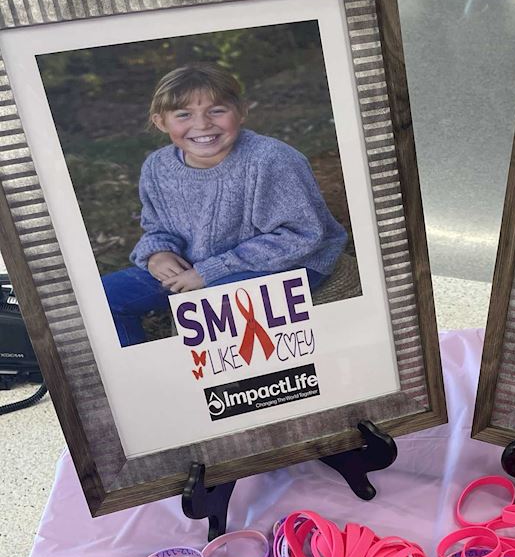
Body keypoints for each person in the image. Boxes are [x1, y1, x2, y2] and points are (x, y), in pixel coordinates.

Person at [102, 62, 348, 347]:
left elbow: (301, 236)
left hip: (292, 260)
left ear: (242, 111)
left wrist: (211, 271)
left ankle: (250, 386)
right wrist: (157, 253)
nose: (203, 124)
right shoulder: (157, 167)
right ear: (160, 122)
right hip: (199, 264)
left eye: (217, 110)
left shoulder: (271, 160)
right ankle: (150, 379)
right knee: (104, 299)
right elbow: (157, 226)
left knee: (213, 308)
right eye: (183, 115)